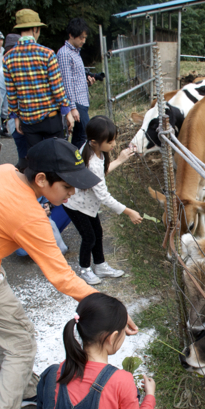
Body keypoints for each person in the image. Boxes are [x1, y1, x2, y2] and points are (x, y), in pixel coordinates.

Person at [0, 137, 139, 409]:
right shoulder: (29, 216)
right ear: (42, 180)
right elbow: (62, 278)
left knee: (15, 332)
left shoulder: (2, 172)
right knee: (21, 343)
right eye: (68, 186)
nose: (73, 193)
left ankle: (27, 388)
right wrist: (112, 307)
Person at [64, 115, 143, 285]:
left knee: (97, 233)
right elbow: (104, 196)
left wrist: (121, 159)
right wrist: (129, 212)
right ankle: (85, 269)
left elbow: (100, 176)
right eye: (110, 142)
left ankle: (100, 265)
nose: (114, 144)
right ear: (94, 141)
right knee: (89, 237)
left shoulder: (94, 150)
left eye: (113, 140)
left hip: (87, 204)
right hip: (76, 205)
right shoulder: (91, 161)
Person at [2, 9, 75, 157]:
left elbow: (11, 93)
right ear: (35, 29)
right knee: (56, 159)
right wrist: (67, 111)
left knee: (37, 161)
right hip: (50, 118)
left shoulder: (8, 58)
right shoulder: (47, 53)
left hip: (28, 121)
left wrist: (15, 117)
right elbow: (57, 88)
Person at [57, 18, 95, 148]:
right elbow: (66, 82)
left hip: (82, 101)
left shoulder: (76, 52)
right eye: (81, 37)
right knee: (82, 137)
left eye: (85, 37)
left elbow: (75, 79)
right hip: (76, 103)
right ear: (71, 35)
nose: (83, 41)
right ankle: (77, 164)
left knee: (82, 135)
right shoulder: (64, 54)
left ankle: (77, 164)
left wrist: (87, 82)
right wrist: (72, 108)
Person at [0, 33, 28, 170]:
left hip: (13, 119)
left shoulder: (2, 69)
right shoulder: (6, 69)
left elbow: (4, 98)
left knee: (24, 158)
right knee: (26, 160)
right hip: (23, 118)